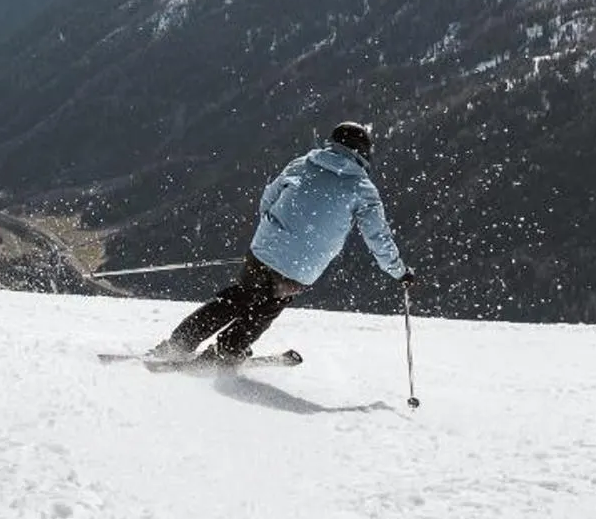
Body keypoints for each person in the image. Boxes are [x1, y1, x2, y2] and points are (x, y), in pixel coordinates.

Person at [148, 121, 413, 363]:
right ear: (363, 153)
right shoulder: (363, 190)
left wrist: (274, 232)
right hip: (302, 268)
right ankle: (226, 351)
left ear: (332, 143)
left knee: (237, 298)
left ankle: (179, 344)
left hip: (265, 251)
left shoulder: (303, 164)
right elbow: (378, 238)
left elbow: (268, 199)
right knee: (265, 309)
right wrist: (399, 272)